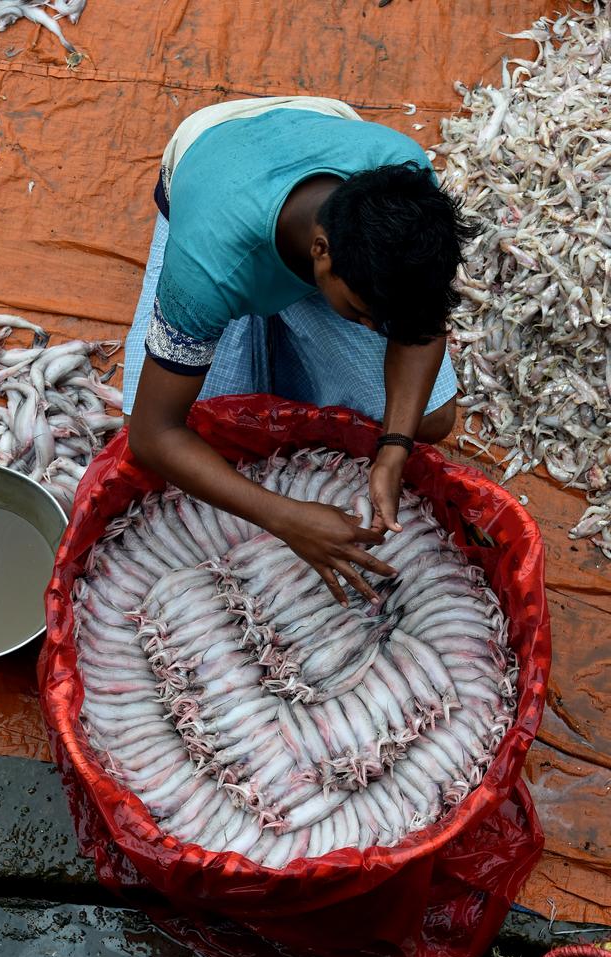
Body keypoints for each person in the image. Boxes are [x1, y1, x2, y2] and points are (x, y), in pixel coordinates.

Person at [123, 96, 477, 605]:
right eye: (359, 313)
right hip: (210, 165)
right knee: (194, 432)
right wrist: (285, 517)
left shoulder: (409, 189)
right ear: (321, 252)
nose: (378, 332)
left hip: (322, 135)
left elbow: (417, 329)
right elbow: (152, 435)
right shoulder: (208, 268)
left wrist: (393, 449)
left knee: (432, 419)